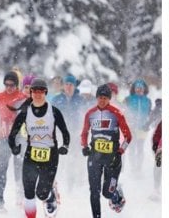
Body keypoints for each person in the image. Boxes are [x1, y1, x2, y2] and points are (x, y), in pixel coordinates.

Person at [8, 78, 70, 218]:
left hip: (51, 156)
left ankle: (50, 195)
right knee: (28, 193)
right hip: (31, 154)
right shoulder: (25, 112)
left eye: (40, 91)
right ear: (31, 93)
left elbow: (65, 132)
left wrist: (65, 146)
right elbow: (13, 134)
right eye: (34, 91)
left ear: (45, 93)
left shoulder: (54, 112)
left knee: (41, 194)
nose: (37, 94)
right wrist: (14, 147)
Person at [81, 84, 132, 217]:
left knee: (107, 193)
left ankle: (115, 191)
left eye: (105, 98)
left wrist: (120, 152)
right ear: (96, 98)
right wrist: (84, 147)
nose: (102, 100)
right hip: (95, 157)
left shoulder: (116, 113)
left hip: (112, 158)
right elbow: (84, 133)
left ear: (109, 99)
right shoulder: (90, 114)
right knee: (94, 191)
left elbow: (128, 137)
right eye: (100, 97)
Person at [0, 71, 27, 210]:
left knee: (18, 167)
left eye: (12, 85)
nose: (9, 87)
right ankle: (0, 198)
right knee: (3, 166)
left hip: (19, 139)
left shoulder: (23, 97)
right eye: (6, 84)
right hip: (3, 138)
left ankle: (20, 196)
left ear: (17, 85)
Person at [52, 74, 85, 191]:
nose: (69, 86)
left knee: (73, 158)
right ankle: (59, 181)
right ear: (63, 86)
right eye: (66, 84)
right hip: (60, 133)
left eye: (71, 84)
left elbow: (85, 115)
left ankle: (72, 183)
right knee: (60, 158)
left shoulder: (80, 100)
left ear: (75, 86)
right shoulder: (56, 99)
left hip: (75, 133)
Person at [123, 79, 151, 174]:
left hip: (143, 128)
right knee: (131, 148)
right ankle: (133, 167)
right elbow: (123, 112)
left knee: (140, 148)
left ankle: (138, 168)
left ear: (144, 89)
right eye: (137, 88)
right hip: (131, 128)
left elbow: (149, 114)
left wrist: (147, 124)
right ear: (134, 89)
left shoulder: (148, 101)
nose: (139, 90)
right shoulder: (128, 99)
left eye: (141, 88)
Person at [149, 121, 162, 200]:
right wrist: (155, 144)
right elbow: (157, 134)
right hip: (161, 149)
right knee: (158, 168)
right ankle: (156, 189)